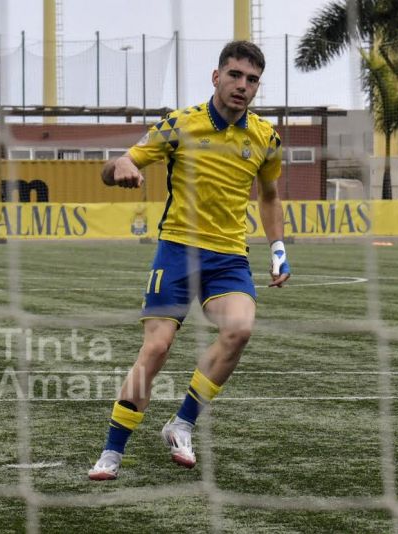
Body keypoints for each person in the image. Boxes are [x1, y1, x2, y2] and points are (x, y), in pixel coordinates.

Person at [89, 41, 290, 480]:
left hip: (229, 257)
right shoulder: (180, 124)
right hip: (178, 250)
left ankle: (181, 423)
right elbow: (117, 164)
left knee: (239, 330)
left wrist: (278, 249)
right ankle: (112, 451)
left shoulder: (265, 138)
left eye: (252, 79)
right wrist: (119, 166)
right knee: (157, 347)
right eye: (234, 75)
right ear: (216, 77)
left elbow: (270, 197)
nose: (242, 85)